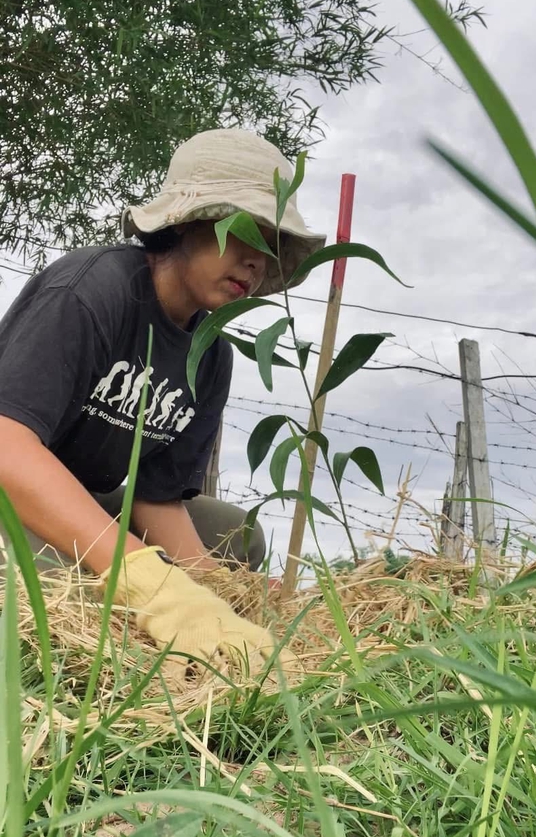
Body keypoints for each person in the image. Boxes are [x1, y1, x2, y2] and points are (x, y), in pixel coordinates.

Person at [0, 128, 326, 680]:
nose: (255, 262)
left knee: (234, 532)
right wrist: (149, 582)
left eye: (270, 247)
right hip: (14, 495)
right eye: (243, 232)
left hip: (93, 505)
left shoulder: (211, 353)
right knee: (70, 580)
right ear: (187, 222)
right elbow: (8, 444)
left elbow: (155, 496)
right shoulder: (91, 289)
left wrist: (212, 594)